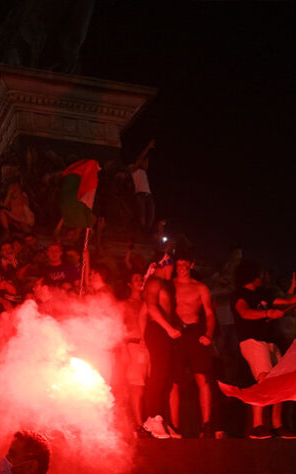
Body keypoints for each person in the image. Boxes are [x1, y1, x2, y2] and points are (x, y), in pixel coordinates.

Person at [232, 260, 296, 439]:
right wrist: (268, 313)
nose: (261, 277)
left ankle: (278, 425)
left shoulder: (263, 294)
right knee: (264, 379)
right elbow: (244, 312)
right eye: (258, 274)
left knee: (280, 380)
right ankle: (257, 426)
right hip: (252, 341)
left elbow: (289, 302)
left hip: (269, 342)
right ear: (251, 275)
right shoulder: (240, 295)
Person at [171, 252, 216, 438]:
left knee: (202, 378)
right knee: (173, 380)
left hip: (195, 332)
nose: (181, 268)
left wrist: (208, 334)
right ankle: (174, 426)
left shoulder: (200, 288)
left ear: (191, 265)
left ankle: (206, 424)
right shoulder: (170, 284)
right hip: (176, 333)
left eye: (184, 265)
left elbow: (210, 314)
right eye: (178, 264)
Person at [141, 254, 182, 439]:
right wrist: (168, 328)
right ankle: (152, 418)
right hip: (158, 330)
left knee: (166, 377)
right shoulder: (154, 282)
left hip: (165, 331)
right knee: (158, 374)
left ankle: (161, 418)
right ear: (164, 265)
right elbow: (151, 307)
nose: (173, 271)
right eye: (171, 267)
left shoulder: (165, 284)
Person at [114, 272, 149, 436]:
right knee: (135, 387)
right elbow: (118, 328)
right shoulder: (124, 304)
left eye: (141, 278)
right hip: (132, 346)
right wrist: (123, 350)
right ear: (129, 284)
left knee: (144, 387)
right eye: (136, 279)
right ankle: (137, 424)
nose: (140, 281)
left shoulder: (147, 303)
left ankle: (142, 423)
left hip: (146, 348)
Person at [128, 139, 156, 234]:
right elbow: (141, 158)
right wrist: (148, 147)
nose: (145, 163)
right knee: (142, 216)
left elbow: (145, 160)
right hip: (140, 195)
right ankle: (141, 231)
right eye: (144, 161)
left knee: (151, 216)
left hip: (148, 195)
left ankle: (147, 232)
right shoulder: (133, 168)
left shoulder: (143, 171)